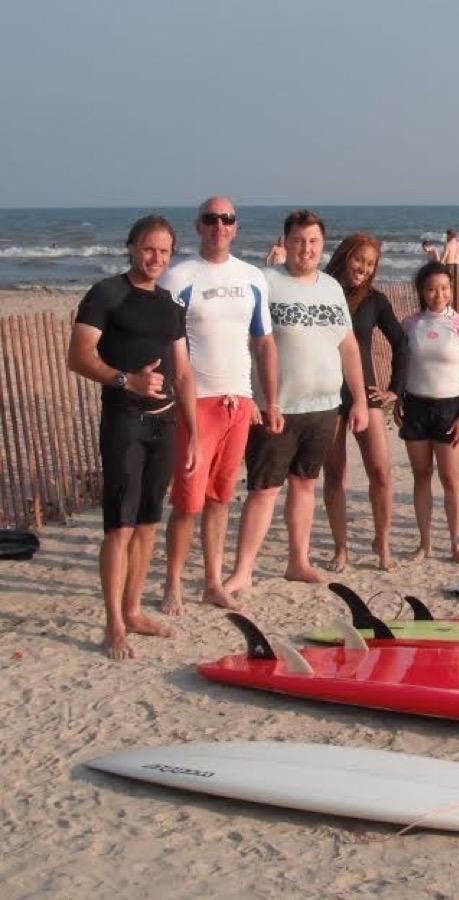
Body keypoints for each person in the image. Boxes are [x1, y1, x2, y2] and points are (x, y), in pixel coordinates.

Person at [66, 215, 198, 659]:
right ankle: (114, 624)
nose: (155, 257)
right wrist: (127, 381)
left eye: (163, 251)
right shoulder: (107, 294)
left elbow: (181, 371)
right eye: (148, 248)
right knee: (119, 527)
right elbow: (78, 356)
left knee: (147, 523)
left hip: (165, 423)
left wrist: (194, 432)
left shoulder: (169, 304)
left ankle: (135, 610)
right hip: (123, 419)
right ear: (130, 247)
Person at [223, 210, 368, 593]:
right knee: (264, 489)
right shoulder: (264, 281)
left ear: (323, 245)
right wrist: (249, 397)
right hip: (277, 407)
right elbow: (242, 341)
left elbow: (348, 346)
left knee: (305, 485)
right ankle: (243, 570)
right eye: (299, 240)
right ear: (285, 242)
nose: (307, 248)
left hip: (323, 406)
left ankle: (297, 561)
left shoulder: (331, 288)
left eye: (314, 241)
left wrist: (359, 400)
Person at [159, 197, 278, 616]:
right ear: (198, 226)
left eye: (226, 219)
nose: (219, 226)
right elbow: (164, 343)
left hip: (238, 400)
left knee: (221, 499)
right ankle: (172, 582)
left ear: (236, 227)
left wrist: (269, 400)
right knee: (187, 501)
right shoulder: (178, 277)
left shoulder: (252, 278)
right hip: (196, 402)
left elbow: (263, 341)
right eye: (211, 219)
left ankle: (212, 581)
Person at [321, 233, 407, 572]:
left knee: (381, 473)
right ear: (345, 256)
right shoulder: (323, 292)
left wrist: (394, 389)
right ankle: (340, 549)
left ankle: (382, 545)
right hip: (327, 394)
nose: (363, 268)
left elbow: (402, 343)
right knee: (334, 476)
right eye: (359, 260)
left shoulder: (376, 301)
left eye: (370, 264)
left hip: (366, 395)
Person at [395, 261, 459, 562]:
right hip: (415, 406)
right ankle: (424, 543)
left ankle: (457, 544)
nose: (438, 294)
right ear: (421, 291)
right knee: (421, 475)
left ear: (451, 289)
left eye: (444, 288)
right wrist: (397, 400)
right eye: (431, 288)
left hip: (449, 408)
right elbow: (402, 367)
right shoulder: (410, 324)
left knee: (450, 479)